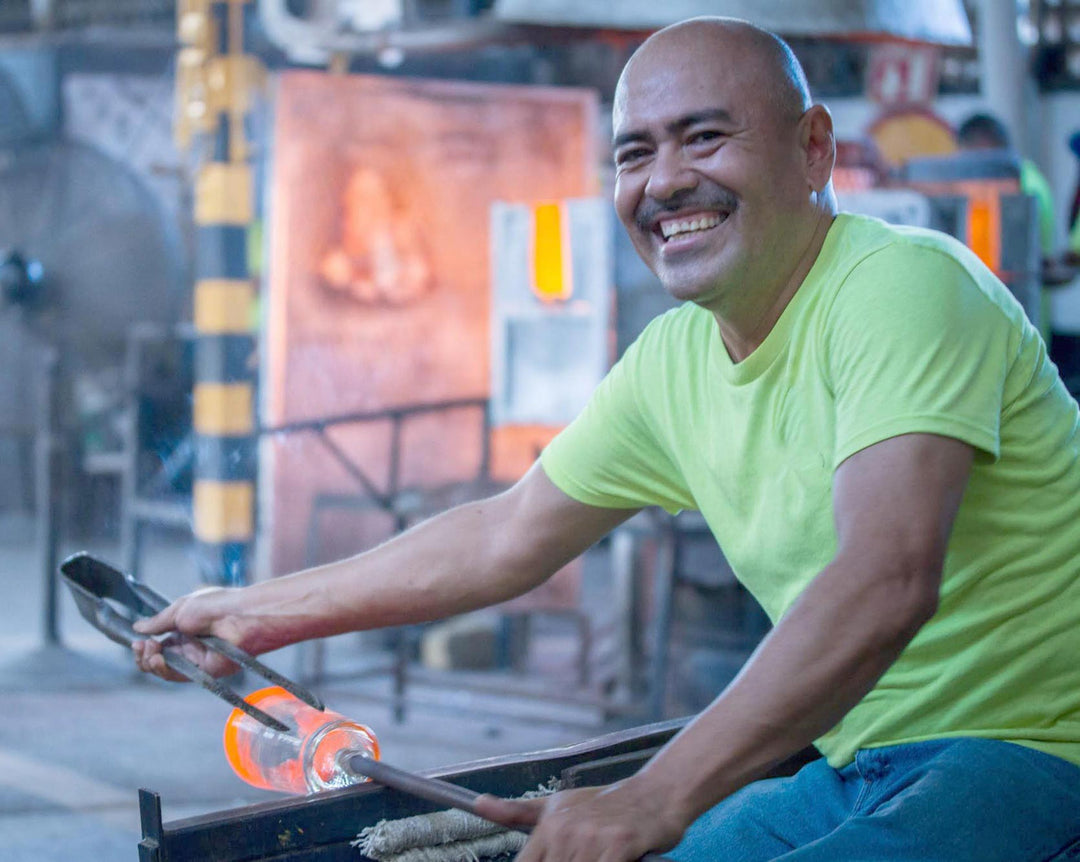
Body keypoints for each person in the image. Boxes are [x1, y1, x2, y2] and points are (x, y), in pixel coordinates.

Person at [133, 17, 1080, 861]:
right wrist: (261, 611)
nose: (666, 181)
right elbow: (507, 537)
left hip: (1035, 753)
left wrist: (655, 795)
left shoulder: (900, 286)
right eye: (634, 154)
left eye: (705, 137)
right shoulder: (673, 362)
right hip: (858, 761)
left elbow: (885, 581)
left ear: (813, 149)